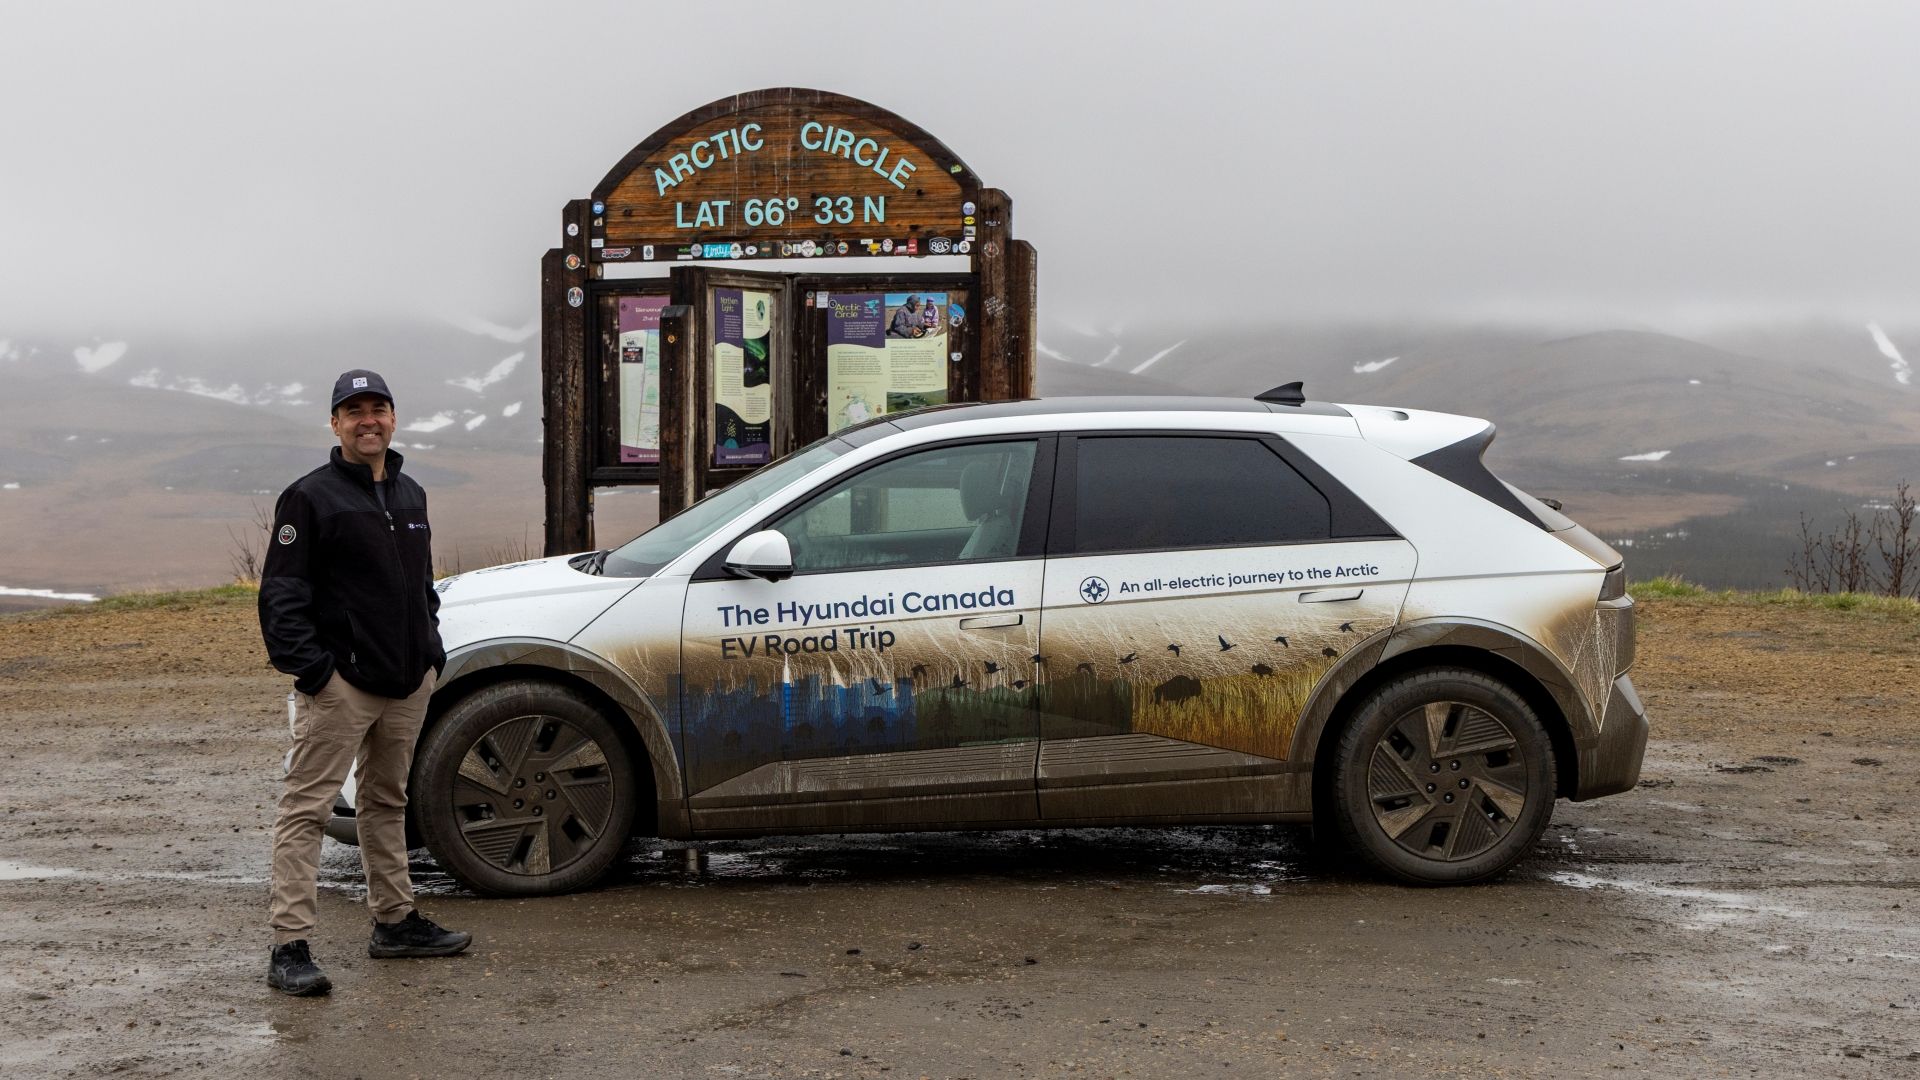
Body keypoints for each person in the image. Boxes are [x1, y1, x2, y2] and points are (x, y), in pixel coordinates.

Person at [257, 369, 468, 996]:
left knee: (387, 803)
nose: (367, 420)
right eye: (354, 411)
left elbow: (420, 587)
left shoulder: (412, 495)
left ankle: (396, 923)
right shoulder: (309, 498)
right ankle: (289, 945)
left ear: (394, 418)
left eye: (378, 408)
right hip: (342, 684)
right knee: (307, 808)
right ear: (335, 424)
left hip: (406, 681)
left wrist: (429, 651)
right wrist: (315, 672)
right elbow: (282, 595)